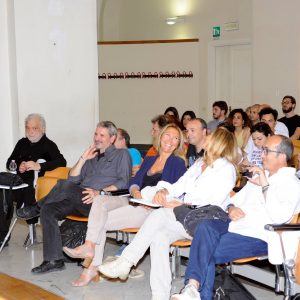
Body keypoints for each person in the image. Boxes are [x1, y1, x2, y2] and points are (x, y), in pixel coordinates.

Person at [98, 127, 238, 300]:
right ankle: (159, 295)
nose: (206, 138)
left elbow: (211, 201)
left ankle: (126, 261)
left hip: (204, 223)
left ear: (218, 143)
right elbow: (178, 186)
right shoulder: (198, 164)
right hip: (185, 218)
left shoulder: (226, 169)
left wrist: (180, 202)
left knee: (160, 214)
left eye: (210, 136)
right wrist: (164, 191)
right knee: (159, 237)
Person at [171, 135, 300, 300]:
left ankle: (192, 289)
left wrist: (265, 186)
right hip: (233, 225)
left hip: (259, 235)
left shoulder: (292, 184)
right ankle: (192, 289)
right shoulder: (259, 175)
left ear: (282, 156)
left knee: (206, 251)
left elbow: (279, 217)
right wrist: (231, 208)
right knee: (205, 226)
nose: (261, 155)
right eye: (262, 150)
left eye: (266, 151)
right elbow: (233, 201)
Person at [62, 124, 187, 286]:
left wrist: (156, 198)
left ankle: (91, 267)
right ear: (160, 137)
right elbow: (134, 182)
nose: (170, 140)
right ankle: (89, 246)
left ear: (178, 144)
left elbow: (177, 190)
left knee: (100, 222)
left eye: (175, 138)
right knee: (99, 200)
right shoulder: (150, 159)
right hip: (134, 199)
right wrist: (135, 191)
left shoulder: (178, 163)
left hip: (152, 210)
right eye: (167, 135)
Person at [16, 121, 132, 274]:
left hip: (97, 201)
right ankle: (53, 260)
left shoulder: (121, 154)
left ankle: (36, 207)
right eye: (96, 134)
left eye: (102, 135)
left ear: (112, 138)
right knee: (49, 209)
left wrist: (100, 192)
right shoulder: (91, 156)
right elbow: (72, 179)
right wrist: (83, 158)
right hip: (78, 198)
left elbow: (124, 182)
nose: (97, 138)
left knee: (62, 185)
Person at [2, 113, 66, 245]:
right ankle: (2, 235)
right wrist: (18, 166)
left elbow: (61, 162)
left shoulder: (48, 145)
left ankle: (29, 223)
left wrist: (39, 166)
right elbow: (10, 162)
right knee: (2, 192)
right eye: (27, 128)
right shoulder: (22, 143)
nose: (30, 131)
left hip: (36, 185)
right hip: (17, 182)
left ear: (43, 129)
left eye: (34, 128)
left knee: (25, 190)